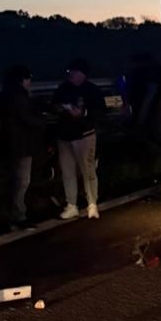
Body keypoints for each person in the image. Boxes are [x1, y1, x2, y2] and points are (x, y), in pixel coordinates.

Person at [52, 58, 106, 220]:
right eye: (70, 71)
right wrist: (59, 108)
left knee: (88, 170)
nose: (70, 74)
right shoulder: (63, 88)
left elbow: (100, 111)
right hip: (64, 136)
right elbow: (54, 105)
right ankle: (71, 205)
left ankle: (92, 203)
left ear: (82, 74)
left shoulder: (92, 90)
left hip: (84, 135)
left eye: (74, 71)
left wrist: (83, 114)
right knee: (67, 172)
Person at [0, 64, 46, 230]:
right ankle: (19, 216)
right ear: (22, 79)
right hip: (21, 145)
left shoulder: (5, 95)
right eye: (29, 78)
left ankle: (13, 215)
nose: (30, 82)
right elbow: (27, 118)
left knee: (14, 180)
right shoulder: (19, 97)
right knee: (22, 181)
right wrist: (43, 120)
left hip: (9, 145)